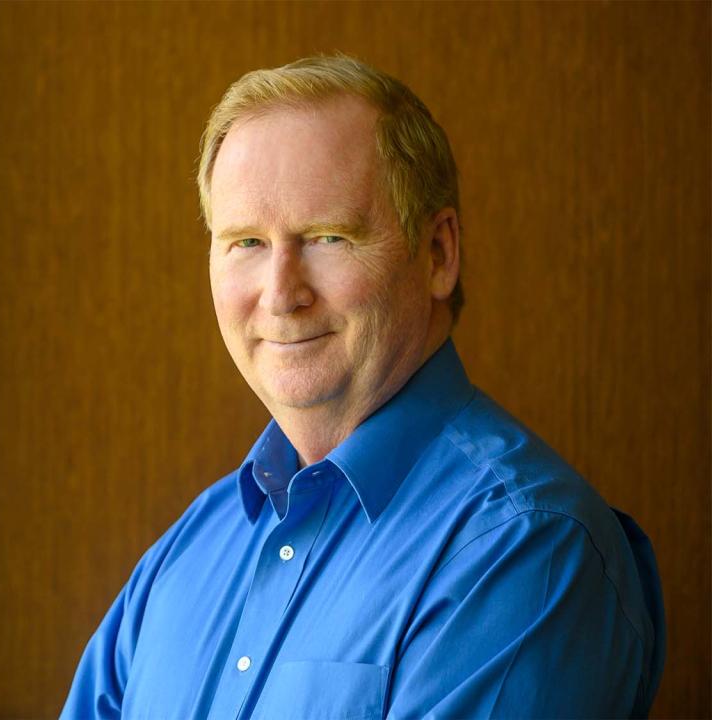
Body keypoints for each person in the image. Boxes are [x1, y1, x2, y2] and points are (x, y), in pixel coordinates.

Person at [61, 55, 665, 719]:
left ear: (438, 253)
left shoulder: (527, 552)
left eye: (327, 236)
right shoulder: (187, 552)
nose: (281, 294)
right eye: (246, 243)